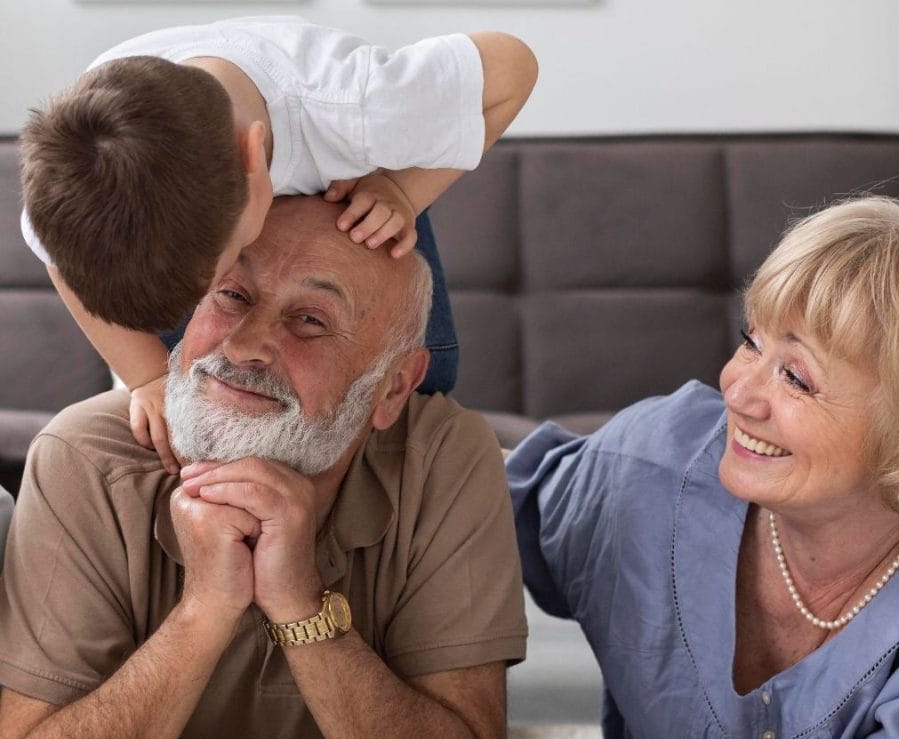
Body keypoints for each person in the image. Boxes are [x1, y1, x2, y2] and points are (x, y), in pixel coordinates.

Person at [508, 197, 899, 739]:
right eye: (751, 341)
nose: (737, 390)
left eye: (796, 376)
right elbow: (471, 515)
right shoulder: (647, 468)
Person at [0, 196, 527, 739]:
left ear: (394, 387)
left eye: (310, 321)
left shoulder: (444, 457)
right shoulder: (85, 456)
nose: (247, 345)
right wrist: (204, 611)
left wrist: (301, 604)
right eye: (231, 296)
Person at [19, 15, 538, 473]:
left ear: (254, 155)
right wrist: (147, 377)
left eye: (219, 275)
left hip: (347, 175)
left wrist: (401, 189)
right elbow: (59, 262)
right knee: (183, 419)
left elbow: (513, 67)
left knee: (419, 386)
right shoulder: (79, 177)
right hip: (175, 187)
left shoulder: (361, 107)